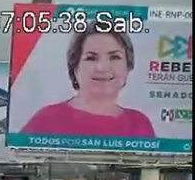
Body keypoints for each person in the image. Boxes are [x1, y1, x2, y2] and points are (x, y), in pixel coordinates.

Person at [20, 30, 155, 139]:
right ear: (75, 67)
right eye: (91, 58)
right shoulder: (47, 119)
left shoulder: (139, 123)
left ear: (128, 66)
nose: (102, 67)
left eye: (114, 57)